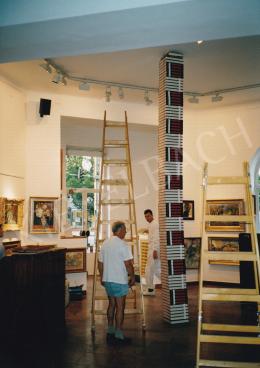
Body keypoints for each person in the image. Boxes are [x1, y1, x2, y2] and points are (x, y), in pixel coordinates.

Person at [98, 221, 135, 345]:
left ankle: (110, 330)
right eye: (124, 229)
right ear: (119, 230)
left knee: (111, 304)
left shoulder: (105, 244)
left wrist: (102, 277)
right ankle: (119, 334)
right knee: (120, 307)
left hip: (108, 279)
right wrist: (133, 277)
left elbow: (100, 263)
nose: (126, 232)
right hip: (119, 280)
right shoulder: (123, 244)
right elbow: (128, 264)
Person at [143, 209, 161, 296]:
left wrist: (155, 250)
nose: (147, 218)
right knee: (154, 269)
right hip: (152, 249)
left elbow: (157, 238)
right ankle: (150, 289)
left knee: (150, 270)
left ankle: (150, 289)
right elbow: (152, 234)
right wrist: (145, 231)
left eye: (148, 216)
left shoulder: (155, 224)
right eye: (146, 216)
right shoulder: (151, 224)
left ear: (152, 215)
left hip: (154, 250)